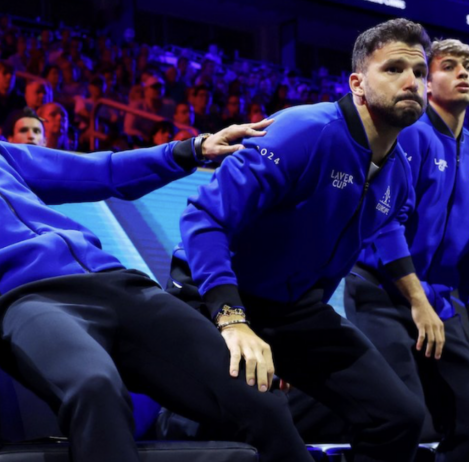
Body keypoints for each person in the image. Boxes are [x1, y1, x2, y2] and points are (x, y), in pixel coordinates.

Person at [0, 47, 311, 462]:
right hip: (29, 304)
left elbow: (100, 171)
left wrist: (193, 149)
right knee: (95, 389)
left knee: (258, 398)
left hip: (117, 283)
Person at [170, 19, 432, 462]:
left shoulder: (401, 173)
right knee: (251, 422)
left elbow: (336, 256)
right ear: (358, 84)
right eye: (393, 69)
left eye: (421, 73)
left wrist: (292, 344)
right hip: (214, 296)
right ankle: (174, 423)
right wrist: (232, 319)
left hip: (295, 312)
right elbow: (205, 217)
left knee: (401, 417)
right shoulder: (302, 132)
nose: (412, 82)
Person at [345, 38, 469, 462]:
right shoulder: (407, 134)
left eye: (468, 66)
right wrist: (414, 297)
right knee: (401, 415)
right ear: (428, 82)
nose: (463, 73)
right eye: (449, 66)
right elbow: (383, 220)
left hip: (439, 303)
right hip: (381, 293)